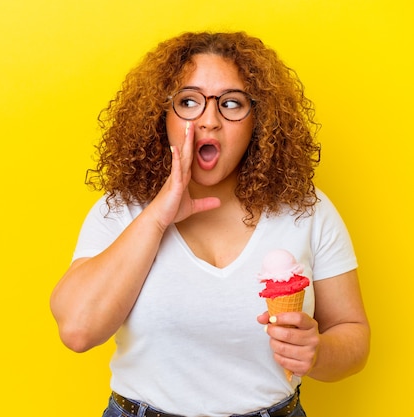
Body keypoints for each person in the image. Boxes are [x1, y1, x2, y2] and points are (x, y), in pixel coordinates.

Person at [50, 31, 370, 417]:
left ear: (259, 121)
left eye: (232, 104)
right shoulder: (123, 210)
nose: (209, 120)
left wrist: (318, 352)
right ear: (162, 114)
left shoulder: (307, 209)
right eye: (188, 101)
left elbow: (353, 334)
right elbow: (78, 331)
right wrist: (158, 215)